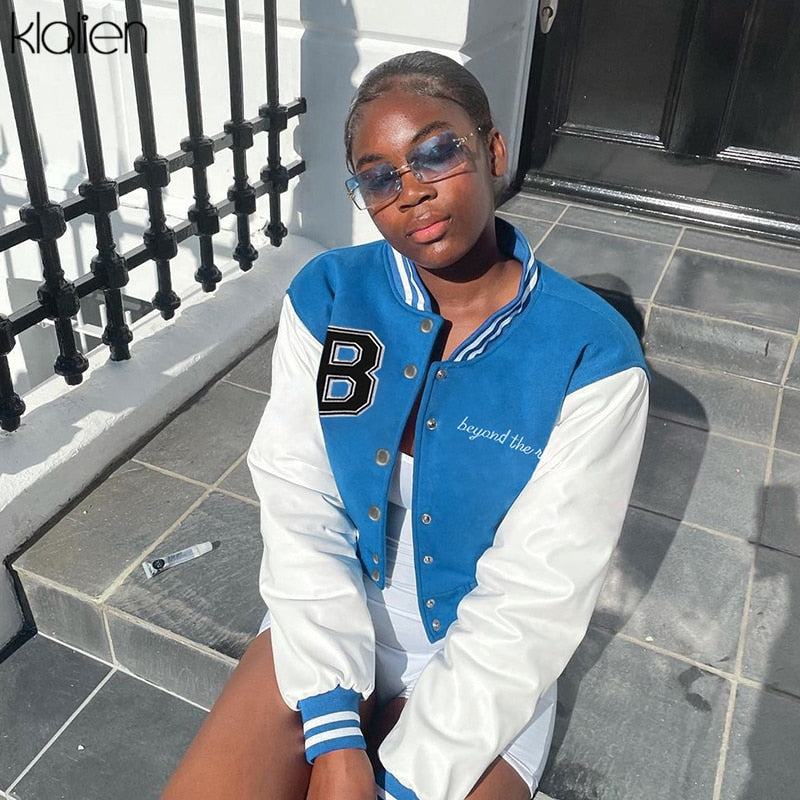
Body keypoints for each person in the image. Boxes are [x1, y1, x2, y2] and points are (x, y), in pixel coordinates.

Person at [162, 50, 649, 800]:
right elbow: (299, 496)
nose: (412, 191)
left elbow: (539, 590)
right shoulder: (332, 295)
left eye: (436, 152)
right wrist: (334, 734)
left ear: (493, 151)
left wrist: (406, 779)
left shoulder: (591, 353)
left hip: (488, 657)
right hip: (329, 610)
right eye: (379, 177)